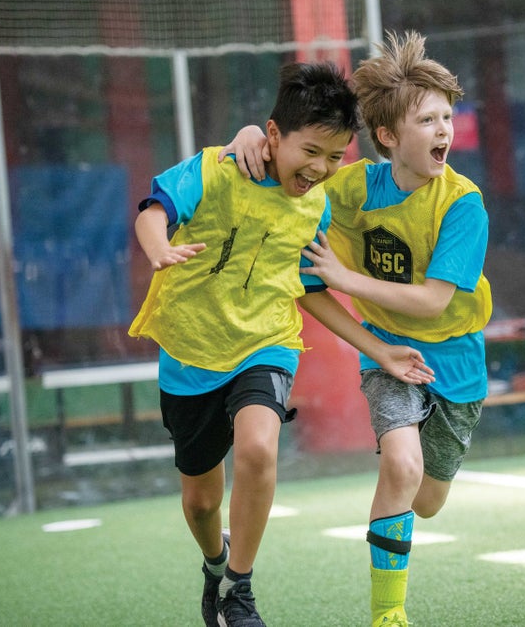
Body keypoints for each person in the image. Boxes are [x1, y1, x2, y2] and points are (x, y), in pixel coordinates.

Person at [129, 61, 434, 627]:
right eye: (310, 151)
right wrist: (159, 249)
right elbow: (153, 211)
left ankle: (238, 590)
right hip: (191, 351)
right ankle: (216, 561)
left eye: (333, 157)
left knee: (258, 449)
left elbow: (310, 291)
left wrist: (379, 350)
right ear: (273, 135)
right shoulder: (218, 169)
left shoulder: (316, 205)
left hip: (266, 342)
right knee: (200, 503)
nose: (319, 168)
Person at [223, 31, 492, 627]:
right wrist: (247, 137)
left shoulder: (462, 205)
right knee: (401, 466)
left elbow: (433, 301)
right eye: (428, 120)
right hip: (386, 351)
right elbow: (287, 168)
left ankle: (406, 504)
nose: (444, 131)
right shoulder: (352, 188)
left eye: (447, 118)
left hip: (455, 360)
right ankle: (388, 615)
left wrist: (346, 278)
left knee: (428, 500)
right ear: (389, 136)